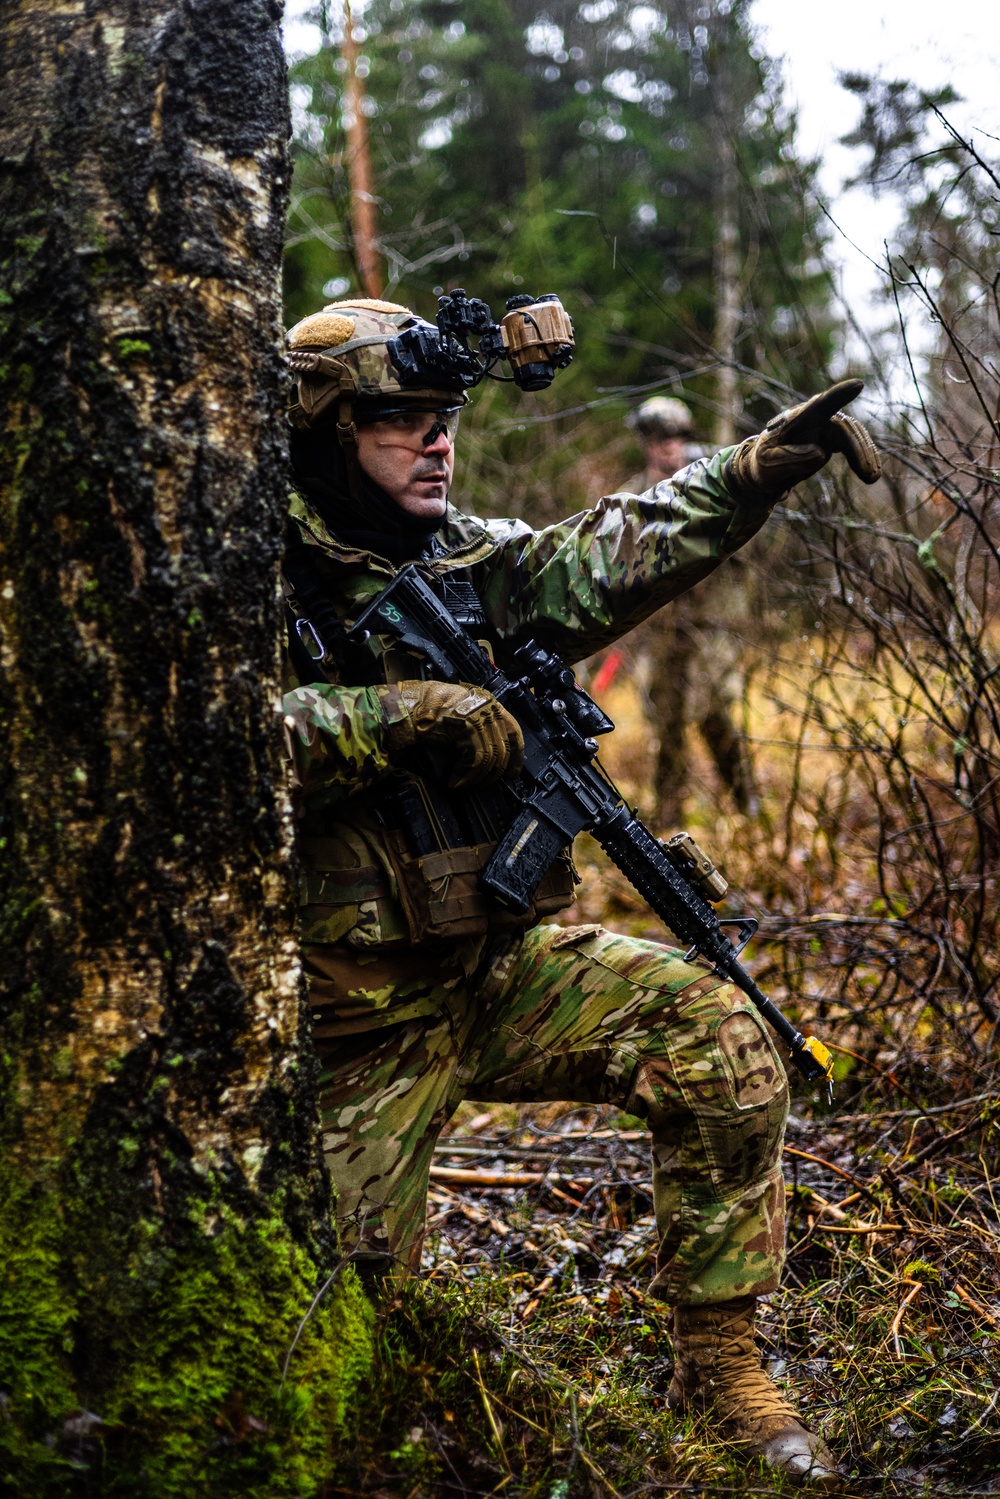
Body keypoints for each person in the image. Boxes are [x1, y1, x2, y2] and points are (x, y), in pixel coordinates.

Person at [280, 295, 878, 1488]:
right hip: (350, 1029)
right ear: (325, 431)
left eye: (444, 415)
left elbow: (604, 550)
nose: (435, 439)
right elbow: (187, 742)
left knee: (717, 1027)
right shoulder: (251, 570)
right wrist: (391, 718)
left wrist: (750, 470)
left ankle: (719, 1362)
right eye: (399, 417)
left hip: (495, 974)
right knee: (340, 1333)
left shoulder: (463, 560)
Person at [622, 397, 758, 824]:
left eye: (678, 437)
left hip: (709, 625)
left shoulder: (707, 486)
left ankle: (746, 804)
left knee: (715, 714)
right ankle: (668, 816)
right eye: (661, 438)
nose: (670, 447)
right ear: (645, 442)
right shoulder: (633, 497)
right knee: (666, 723)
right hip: (659, 628)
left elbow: (742, 558)